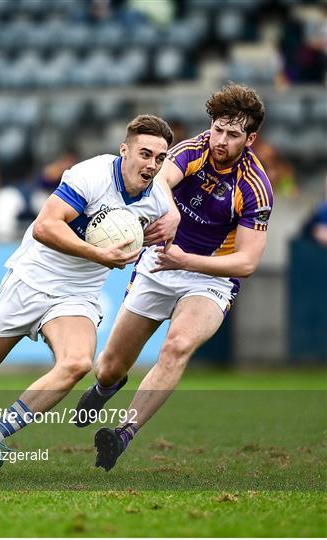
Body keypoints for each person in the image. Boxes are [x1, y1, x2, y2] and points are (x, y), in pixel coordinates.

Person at [0, 114, 179, 475]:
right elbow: (46, 227)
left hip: (77, 293)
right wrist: (100, 255)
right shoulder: (90, 175)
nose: (151, 164)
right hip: (32, 278)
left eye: (160, 158)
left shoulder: (156, 202)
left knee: (77, 364)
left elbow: (168, 212)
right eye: (144, 153)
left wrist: (175, 220)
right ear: (124, 150)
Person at [74, 84, 274, 472]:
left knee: (177, 346)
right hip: (161, 262)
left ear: (250, 139)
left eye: (233, 135)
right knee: (110, 366)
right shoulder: (191, 151)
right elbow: (162, 178)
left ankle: (122, 434)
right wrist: (173, 216)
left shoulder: (254, 186)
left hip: (209, 278)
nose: (221, 140)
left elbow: (247, 262)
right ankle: (105, 388)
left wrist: (189, 261)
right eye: (218, 129)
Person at [0, 150, 79, 241]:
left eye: (71, 161)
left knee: (52, 209)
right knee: (4, 202)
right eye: (66, 161)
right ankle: (3, 245)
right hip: (26, 195)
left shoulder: (78, 180)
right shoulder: (52, 171)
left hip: (47, 200)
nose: (68, 164)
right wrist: (59, 169)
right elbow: (46, 177)